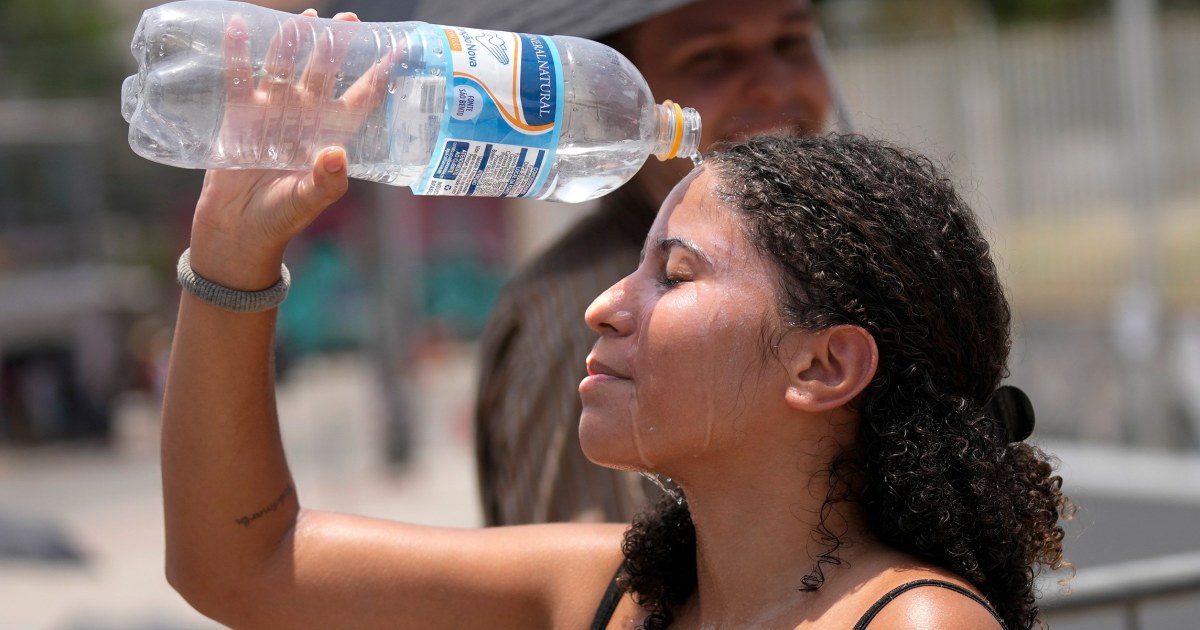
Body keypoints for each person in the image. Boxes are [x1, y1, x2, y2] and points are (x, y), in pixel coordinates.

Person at [159, 15, 1069, 625]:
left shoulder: (916, 622)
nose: (603, 304)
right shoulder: (616, 590)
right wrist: (231, 260)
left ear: (823, 365)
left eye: (674, 275)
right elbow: (241, 561)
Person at [413, 0, 844, 525]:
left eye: (790, 42)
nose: (775, 88)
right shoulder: (587, 318)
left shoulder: (810, 265)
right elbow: (599, 595)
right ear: (609, 94)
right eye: (711, 57)